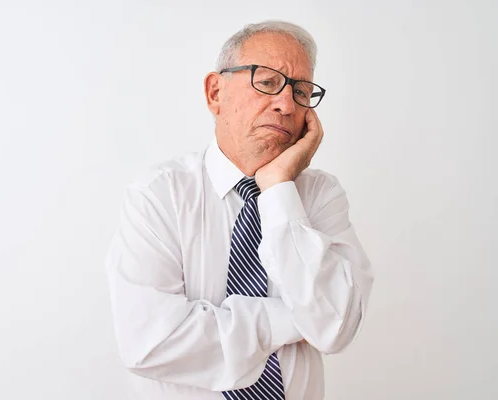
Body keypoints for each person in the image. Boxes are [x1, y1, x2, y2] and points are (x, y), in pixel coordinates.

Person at [105, 20, 374, 400]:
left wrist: (279, 188)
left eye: (301, 92)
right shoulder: (158, 195)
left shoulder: (320, 195)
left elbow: (336, 329)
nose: (285, 104)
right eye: (266, 82)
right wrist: (293, 318)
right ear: (215, 92)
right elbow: (149, 343)